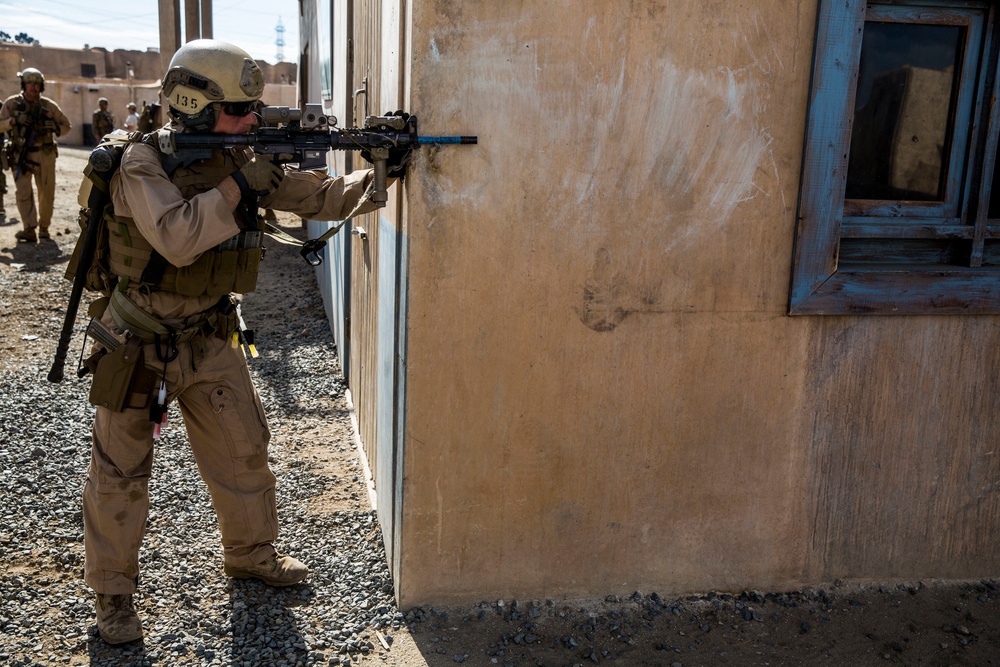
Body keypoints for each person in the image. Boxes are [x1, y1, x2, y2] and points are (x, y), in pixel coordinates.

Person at [81, 39, 407, 646]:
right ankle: (114, 596)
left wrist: (381, 166)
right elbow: (177, 238)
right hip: (137, 341)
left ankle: (251, 555)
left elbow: (320, 196)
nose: (253, 120)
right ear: (194, 107)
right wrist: (239, 185)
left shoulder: (241, 157)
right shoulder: (141, 165)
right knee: (120, 473)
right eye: (238, 110)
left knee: (244, 452)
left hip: (209, 336)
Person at [0, 68, 72, 242]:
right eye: (30, 83)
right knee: (23, 193)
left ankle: (44, 228)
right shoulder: (12, 104)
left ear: (41, 86)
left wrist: (54, 127)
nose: (33, 87)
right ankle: (29, 228)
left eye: (37, 84)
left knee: (46, 193)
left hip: (45, 154)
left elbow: (66, 126)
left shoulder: (48, 105)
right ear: (24, 84)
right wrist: (14, 121)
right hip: (20, 155)